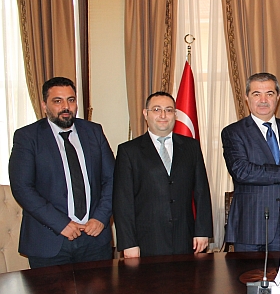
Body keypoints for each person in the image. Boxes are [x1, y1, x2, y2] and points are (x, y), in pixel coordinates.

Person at [9, 77, 115, 268]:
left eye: (71, 100)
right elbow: (22, 188)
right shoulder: (27, 137)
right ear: (44, 105)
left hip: (94, 241)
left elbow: (113, 179)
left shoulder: (94, 131)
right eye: (58, 101)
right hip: (49, 241)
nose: (66, 106)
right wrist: (61, 224)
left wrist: (100, 217)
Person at [113, 91, 213, 257]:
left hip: (185, 238)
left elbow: (202, 192)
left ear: (175, 114)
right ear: (146, 114)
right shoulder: (129, 151)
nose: (163, 115)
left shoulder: (191, 147)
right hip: (146, 241)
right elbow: (123, 201)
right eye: (157, 109)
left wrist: (202, 231)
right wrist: (128, 243)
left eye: (168, 110)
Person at [221, 73, 280, 252]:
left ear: (277, 97)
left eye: (269, 94)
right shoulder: (233, 132)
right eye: (256, 94)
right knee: (246, 279)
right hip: (250, 228)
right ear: (247, 98)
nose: (263, 100)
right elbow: (242, 171)